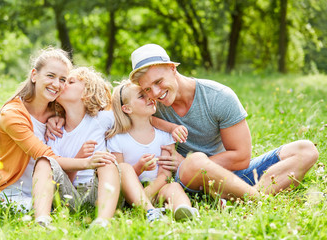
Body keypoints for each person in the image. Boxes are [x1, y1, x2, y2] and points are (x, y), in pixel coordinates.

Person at [129, 43, 319, 199]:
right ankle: (257, 199)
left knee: (306, 150)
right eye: (146, 89)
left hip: (229, 174)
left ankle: (249, 196)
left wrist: (200, 164)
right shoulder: (150, 107)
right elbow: (116, 108)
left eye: (158, 82)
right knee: (194, 162)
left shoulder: (218, 96)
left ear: (172, 68)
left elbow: (242, 156)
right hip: (187, 176)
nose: (154, 93)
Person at [0, 47, 113, 227]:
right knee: (45, 162)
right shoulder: (12, 114)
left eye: (63, 79)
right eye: (50, 76)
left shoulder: (56, 110)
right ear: (34, 75)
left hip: (48, 190)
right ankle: (42, 219)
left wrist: (58, 117)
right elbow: (46, 157)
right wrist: (87, 162)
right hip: (15, 192)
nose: (56, 84)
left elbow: (87, 110)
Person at [47, 67, 165, 225]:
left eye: (70, 81)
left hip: (102, 191)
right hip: (69, 196)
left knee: (107, 162)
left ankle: (103, 221)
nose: (62, 85)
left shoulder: (101, 119)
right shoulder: (55, 132)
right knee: (50, 164)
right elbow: (57, 173)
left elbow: (136, 115)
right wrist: (78, 158)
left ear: (87, 93)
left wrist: (171, 128)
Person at [106, 80, 199, 221]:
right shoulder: (117, 139)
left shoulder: (164, 135)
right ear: (127, 109)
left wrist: (147, 193)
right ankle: (150, 212)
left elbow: (165, 174)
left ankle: (184, 210)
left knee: (173, 186)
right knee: (124, 168)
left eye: (148, 93)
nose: (150, 97)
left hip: (158, 190)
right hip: (131, 195)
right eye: (141, 96)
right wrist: (139, 168)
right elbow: (119, 177)